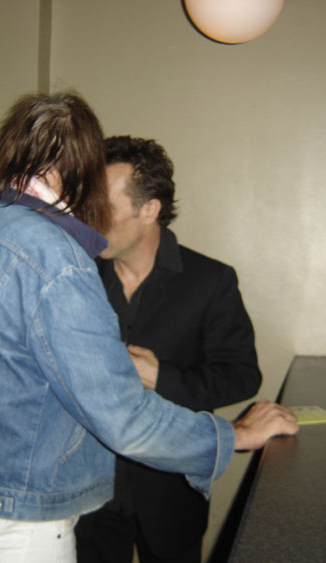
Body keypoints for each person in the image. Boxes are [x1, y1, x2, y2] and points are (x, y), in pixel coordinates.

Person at [0, 91, 299, 563]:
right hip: (29, 516)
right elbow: (121, 416)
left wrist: (162, 377)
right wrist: (235, 436)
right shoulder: (59, 261)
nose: (94, 206)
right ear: (73, 169)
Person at [75, 135, 262, 563]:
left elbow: (242, 375)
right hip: (88, 495)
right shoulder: (76, 278)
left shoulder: (210, 281)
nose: (89, 217)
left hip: (170, 493)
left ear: (149, 210)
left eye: (103, 204)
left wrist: (162, 377)